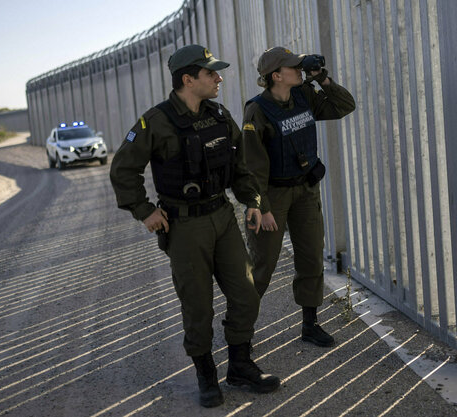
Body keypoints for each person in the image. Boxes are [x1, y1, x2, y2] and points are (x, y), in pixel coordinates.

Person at [109, 44, 279, 408]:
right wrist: (144, 210)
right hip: (185, 227)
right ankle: (206, 375)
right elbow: (123, 169)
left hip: (222, 217)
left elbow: (240, 167)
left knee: (246, 293)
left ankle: (240, 365)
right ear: (188, 79)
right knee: (198, 305)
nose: (219, 78)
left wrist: (253, 201)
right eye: (210, 73)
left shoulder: (219, 115)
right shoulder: (155, 122)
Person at [242, 47, 355, 348]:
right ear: (276, 76)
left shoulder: (304, 94)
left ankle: (310, 324)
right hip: (273, 195)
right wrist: (261, 208)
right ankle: (240, 331)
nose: (300, 69)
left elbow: (344, 106)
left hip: (305, 190)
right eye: (294, 67)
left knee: (310, 257)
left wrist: (322, 79)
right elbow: (252, 167)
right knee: (262, 264)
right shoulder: (257, 110)